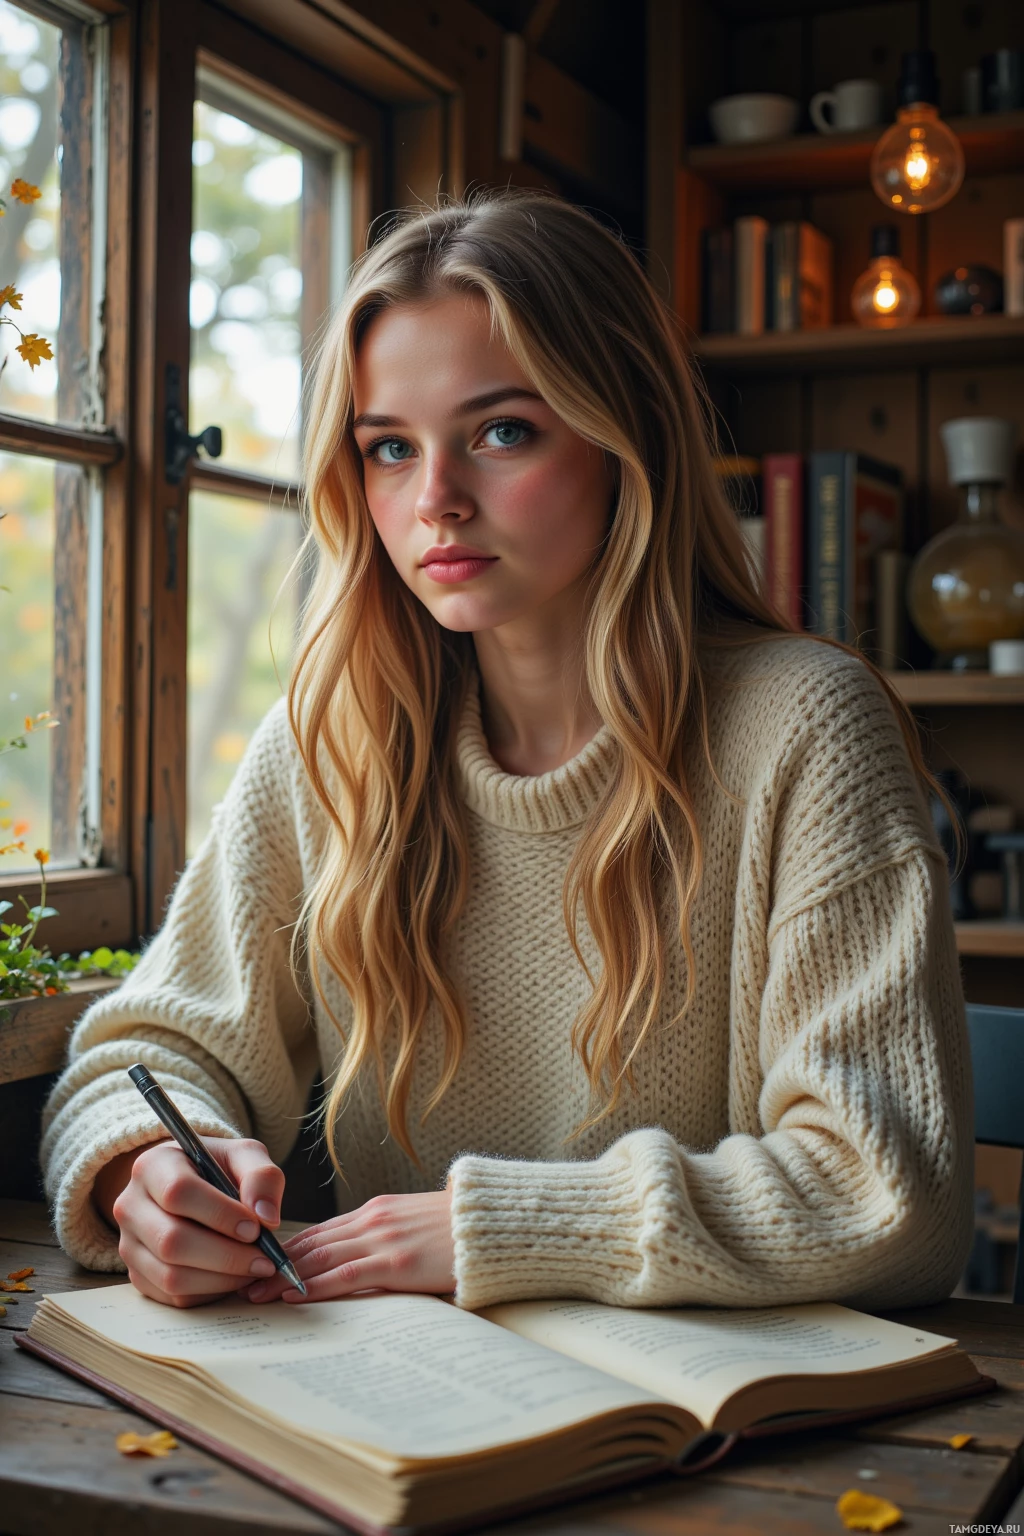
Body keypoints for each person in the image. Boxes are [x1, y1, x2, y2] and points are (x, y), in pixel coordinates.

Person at [41, 190, 973, 1314]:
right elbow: (140, 1051)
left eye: (500, 432)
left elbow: (890, 1195)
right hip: (404, 1411)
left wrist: (498, 1229)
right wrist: (147, 1174)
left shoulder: (806, 727)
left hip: (728, 1441)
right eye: (389, 448)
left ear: (621, 431)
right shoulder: (335, 737)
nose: (434, 500)